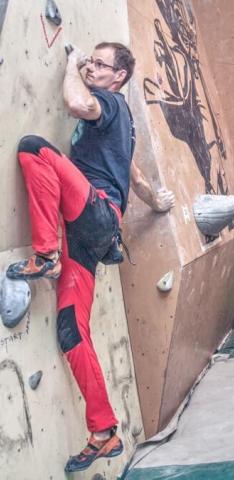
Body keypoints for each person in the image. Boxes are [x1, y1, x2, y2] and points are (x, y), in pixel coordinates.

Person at [6, 42, 175, 472]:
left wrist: (69, 66)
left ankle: (45, 254)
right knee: (71, 330)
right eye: (90, 63)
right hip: (94, 232)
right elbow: (134, 176)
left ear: (118, 77)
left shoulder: (110, 102)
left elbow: (77, 102)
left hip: (94, 210)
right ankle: (104, 432)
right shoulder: (124, 125)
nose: (92, 69)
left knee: (33, 147)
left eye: (100, 65)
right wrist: (157, 203)